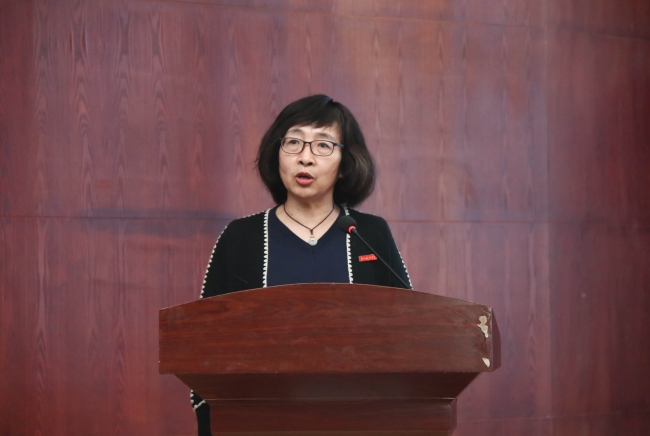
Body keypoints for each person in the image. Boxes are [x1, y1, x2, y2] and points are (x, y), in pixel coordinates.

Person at [190, 94, 411, 436]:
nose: (305, 157)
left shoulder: (369, 234)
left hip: (358, 424)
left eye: (323, 145)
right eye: (293, 142)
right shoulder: (242, 238)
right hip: (259, 426)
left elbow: (408, 336)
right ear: (277, 153)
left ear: (344, 163)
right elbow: (203, 345)